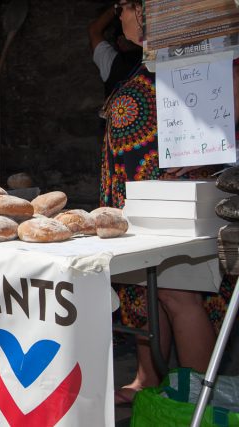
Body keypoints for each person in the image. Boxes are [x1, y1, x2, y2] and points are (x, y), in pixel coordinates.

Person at [101, 2, 221, 405]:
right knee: (147, 294)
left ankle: (197, 399)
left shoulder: (192, 51)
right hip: (140, 195)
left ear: (146, 8)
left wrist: (196, 166)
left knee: (177, 294)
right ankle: (149, 380)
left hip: (173, 197)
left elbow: (213, 115)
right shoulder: (149, 58)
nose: (119, 16)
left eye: (122, 7)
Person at [88, 3, 142, 98]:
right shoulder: (113, 63)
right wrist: (118, 7)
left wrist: (118, 7)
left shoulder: (156, 51)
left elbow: (94, 30)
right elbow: (94, 30)